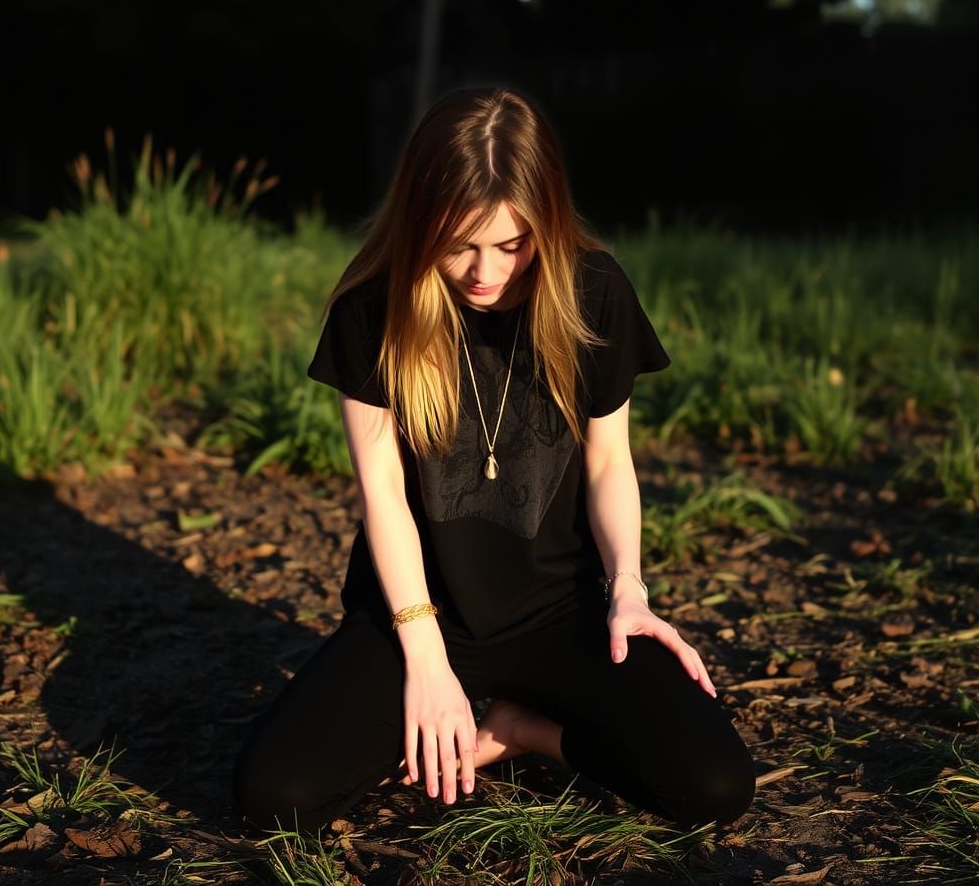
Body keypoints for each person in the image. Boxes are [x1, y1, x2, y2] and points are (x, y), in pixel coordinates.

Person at [231, 86, 756, 837]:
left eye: (512, 245)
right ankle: (440, 713)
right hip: (419, 610)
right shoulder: (371, 311)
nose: (485, 272)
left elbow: (610, 463)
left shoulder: (593, 291)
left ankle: (524, 730)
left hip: (561, 612)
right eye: (457, 246)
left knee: (714, 785)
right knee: (275, 795)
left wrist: (629, 592)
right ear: (420, 227)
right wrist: (425, 657)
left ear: (544, 222)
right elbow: (382, 498)